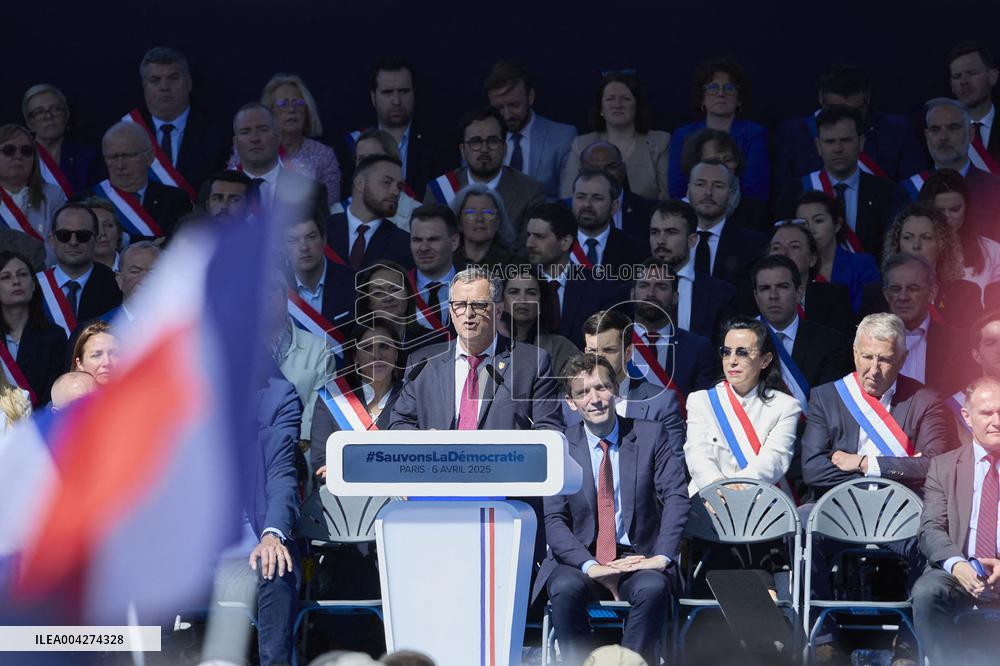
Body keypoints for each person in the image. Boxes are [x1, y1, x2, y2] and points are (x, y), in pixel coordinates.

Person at [533, 353, 688, 665]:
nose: (595, 399)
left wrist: (661, 557)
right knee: (562, 588)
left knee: (653, 588)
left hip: (637, 557)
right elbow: (554, 520)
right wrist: (591, 566)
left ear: (616, 389)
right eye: (583, 392)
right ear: (571, 402)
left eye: (602, 388)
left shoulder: (650, 434)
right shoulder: (561, 445)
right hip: (582, 558)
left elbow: (676, 497)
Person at [205, 363, 300, 666]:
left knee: (276, 564)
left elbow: (282, 491)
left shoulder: (272, 442)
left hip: (253, 557)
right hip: (202, 561)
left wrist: (272, 536)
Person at [801, 312, 956, 498]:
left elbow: (933, 466)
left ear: (902, 359)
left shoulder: (925, 401)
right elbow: (813, 470)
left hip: (902, 507)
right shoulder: (826, 397)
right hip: (841, 505)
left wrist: (864, 463)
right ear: (855, 352)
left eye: (884, 360)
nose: (874, 370)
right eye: (867, 357)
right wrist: (903, 470)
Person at [911, 376, 1000, 666]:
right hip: (960, 569)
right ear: (967, 416)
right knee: (926, 591)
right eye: (987, 413)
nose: (996, 421)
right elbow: (931, 528)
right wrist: (958, 565)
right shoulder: (945, 466)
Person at [684, 316, 801, 494]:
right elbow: (697, 455)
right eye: (726, 352)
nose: (732, 360)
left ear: (765, 360)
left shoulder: (786, 406)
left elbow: (775, 459)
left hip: (761, 502)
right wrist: (718, 487)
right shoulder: (700, 401)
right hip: (708, 501)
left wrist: (737, 491)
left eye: (742, 352)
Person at [776, 105, 908, 258]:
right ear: (818, 146)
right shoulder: (794, 192)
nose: (838, 148)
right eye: (830, 142)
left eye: (845, 140)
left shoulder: (889, 193)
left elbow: (894, 250)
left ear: (861, 142)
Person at [774, 62, 926, 184]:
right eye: (835, 110)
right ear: (821, 99)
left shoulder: (897, 130)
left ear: (867, 100)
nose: (844, 120)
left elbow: (911, 190)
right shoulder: (794, 133)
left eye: (853, 113)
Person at [573, 309, 686, 450]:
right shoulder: (569, 407)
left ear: (628, 352)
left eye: (609, 350)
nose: (599, 358)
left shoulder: (661, 403)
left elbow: (674, 466)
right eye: (592, 351)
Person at [424, 106, 545, 234]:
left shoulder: (530, 192)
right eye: (475, 142)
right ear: (462, 150)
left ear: (504, 148)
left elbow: (529, 248)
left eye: (493, 141)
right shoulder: (439, 190)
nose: (484, 149)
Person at [751, 255, 852, 406]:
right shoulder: (738, 340)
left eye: (782, 286)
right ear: (756, 297)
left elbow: (830, 406)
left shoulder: (831, 343)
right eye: (765, 289)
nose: (773, 296)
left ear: (799, 293)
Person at [524, 202, 627, 348]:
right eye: (528, 235)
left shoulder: (599, 289)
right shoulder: (515, 284)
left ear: (565, 242)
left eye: (539, 237)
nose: (529, 243)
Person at [310, 321, 404, 480]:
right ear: (355, 357)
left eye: (384, 346)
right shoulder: (334, 397)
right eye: (367, 348)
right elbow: (322, 462)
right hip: (349, 499)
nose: (377, 355)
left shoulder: (411, 395)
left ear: (396, 353)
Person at [668, 58, 769, 203]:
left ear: (739, 99)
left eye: (729, 88)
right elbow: (677, 189)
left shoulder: (754, 134)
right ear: (702, 98)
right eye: (713, 88)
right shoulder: (683, 135)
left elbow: (755, 190)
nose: (721, 94)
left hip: (741, 213)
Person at [871, 202, 984, 329]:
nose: (916, 245)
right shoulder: (876, 295)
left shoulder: (966, 293)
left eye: (926, 237)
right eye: (908, 237)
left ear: (942, 244)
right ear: (897, 244)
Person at [561, 73, 670, 201]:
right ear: (601, 107)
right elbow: (568, 196)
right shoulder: (581, 144)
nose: (617, 105)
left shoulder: (660, 142)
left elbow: (666, 198)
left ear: (637, 106)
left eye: (626, 98)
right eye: (610, 99)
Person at [133, 46, 227, 193]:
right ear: (144, 87)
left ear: (189, 83)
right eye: (155, 80)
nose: (164, 87)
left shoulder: (216, 134)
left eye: (173, 78)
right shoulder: (129, 133)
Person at [880, 253, 976, 394]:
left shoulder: (960, 343)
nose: (903, 297)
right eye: (895, 289)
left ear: (932, 293)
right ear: (886, 294)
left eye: (913, 288)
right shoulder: (866, 342)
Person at [909, 98, 1000, 243]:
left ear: (971, 133)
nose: (943, 137)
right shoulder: (907, 190)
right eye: (935, 129)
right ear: (927, 137)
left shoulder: (996, 191)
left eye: (953, 127)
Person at [347, 57, 441, 196]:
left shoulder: (438, 144)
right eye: (387, 92)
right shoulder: (354, 144)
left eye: (403, 91)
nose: (396, 101)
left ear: (414, 93)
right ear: (373, 96)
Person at [484, 61, 576, 198]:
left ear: (530, 97)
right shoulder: (479, 139)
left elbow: (568, 200)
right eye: (498, 108)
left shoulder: (562, 138)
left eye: (514, 105)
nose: (507, 115)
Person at [263, 268, 334, 444]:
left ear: (285, 297)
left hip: (300, 448)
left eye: (272, 290)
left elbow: (320, 407)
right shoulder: (235, 349)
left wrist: (297, 441)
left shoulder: (319, 348)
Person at [648, 199, 736, 338]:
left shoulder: (720, 295)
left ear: (692, 240)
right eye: (655, 232)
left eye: (671, 232)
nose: (661, 240)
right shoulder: (627, 293)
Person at [629, 260, 717, 398]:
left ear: (675, 297)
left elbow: (702, 408)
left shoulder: (698, 349)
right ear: (632, 295)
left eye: (661, 287)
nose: (651, 293)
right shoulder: (614, 343)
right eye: (644, 285)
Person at [93, 121, 192, 240]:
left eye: (128, 156)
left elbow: (181, 245)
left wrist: (126, 240)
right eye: (113, 157)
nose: (120, 165)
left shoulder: (176, 200)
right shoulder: (86, 201)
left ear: (149, 157)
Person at [230, 103, 329, 218]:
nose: (255, 138)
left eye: (263, 129)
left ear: (278, 137)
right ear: (236, 143)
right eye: (245, 132)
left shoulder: (312, 192)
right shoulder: (211, 191)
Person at [919, 169, 1000, 306]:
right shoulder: (908, 248)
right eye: (939, 211)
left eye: (955, 210)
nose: (947, 218)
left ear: (967, 208)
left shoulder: (993, 251)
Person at [761, 220, 855, 337]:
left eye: (794, 247)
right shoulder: (750, 296)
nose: (783, 253)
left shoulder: (833, 296)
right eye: (776, 248)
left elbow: (840, 344)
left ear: (812, 259)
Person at [259, 73, 341, 205]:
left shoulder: (324, 156)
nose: (291, 109)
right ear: (269, 111)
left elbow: (329, 208)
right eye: (283, 104)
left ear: (307, 110)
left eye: (298, 103)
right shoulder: (251, 148)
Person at [686, 159, 767, 288]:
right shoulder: (672, 240)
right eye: (701, 184)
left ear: (730, 195)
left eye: (718, 186)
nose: (708, 193)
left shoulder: (753, 245)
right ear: (688, 190)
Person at [42, 203, 122, 334]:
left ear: (96, 240)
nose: (73, 242)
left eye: (83, 235)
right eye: (64, 235)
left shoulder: (115, 285)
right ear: (51, 240)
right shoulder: (34, 286)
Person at [795, 190, 881, 312]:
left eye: (818, 221)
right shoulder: (793, 270)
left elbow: (867, 313)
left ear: (837, 225)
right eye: (803, 223)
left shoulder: (862, 265)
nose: (811, 229)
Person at [0, 250, 66, 406]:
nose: (16, 281)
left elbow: (54, 395)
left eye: (22, 274)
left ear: (34, 284)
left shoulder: (55, 336)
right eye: (6, 277)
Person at [325, 154, 412, 270]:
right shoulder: (322, 230)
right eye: (386, 182)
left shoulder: (404, 244)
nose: (395, 192)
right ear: (360, 184)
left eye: (399, 186)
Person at [678, 128, 768, 233]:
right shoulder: (677, 214)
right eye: (714, 161)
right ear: (694, 166)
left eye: (729, 160)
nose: (723, 167)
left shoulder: (755, 213)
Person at [21, 83, 100, 195]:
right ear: (29, 123)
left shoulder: (87, 157)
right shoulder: (20, 159)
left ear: (67, 114)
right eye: (39, 112)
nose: (48, 116)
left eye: (55, 109)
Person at [500, 268, 579, 375]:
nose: (522, 300)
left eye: (531, 293)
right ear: (501, 301)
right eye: (514, 292)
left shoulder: (561, 348)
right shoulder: (487, 343)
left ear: (541, 302)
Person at [283, 215, 356, 327]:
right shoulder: (276, 287)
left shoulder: (354, 282)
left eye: (311, 237)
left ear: (324, 240)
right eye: (293, 240)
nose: (304, 248)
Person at [570, 167, 649, 270]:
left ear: (614, 206)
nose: (587, 205)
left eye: (597, 198)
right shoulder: (555, 245)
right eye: (581, 197)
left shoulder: (637, 250)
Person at [0, 124, 67, 242]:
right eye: (9, 150)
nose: (18, 156)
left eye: (26, 151)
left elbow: (58, 246)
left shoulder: (53, 196)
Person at [578, 140, 655, 239]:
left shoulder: (649, 210)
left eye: (611, 167)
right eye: (594, 169)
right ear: (580, 174)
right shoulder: (566, 213)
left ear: (622, 170)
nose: (604, 174)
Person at [351, 127, 421, 231]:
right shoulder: (338, 211)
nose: (366, 165)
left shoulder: (417, 215)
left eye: (374, 158)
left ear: (393, 160)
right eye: (361, 159)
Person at [408, 204, 459, 331]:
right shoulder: (397, 290)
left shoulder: (477, 290)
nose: (424, 248)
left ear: (454, 242)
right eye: (417, 240)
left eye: (433, 239)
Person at [948, 41, 999, 167]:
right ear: (951, 86)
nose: (963, 81)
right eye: (957, 76)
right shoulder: (942, 132)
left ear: (993, 76)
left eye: (972, 73)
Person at [450, 183, 522, 269]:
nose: (479, 219)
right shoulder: (445, 260)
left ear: (498, 222)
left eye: (487, 212)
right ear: (459, 222)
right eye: (470, 212)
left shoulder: (515, 265)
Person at [101, 240, 160, 323]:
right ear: (119, 279)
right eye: (135, 271)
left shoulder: (180, 327)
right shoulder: (98, 330)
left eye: (153, 273)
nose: (145, 280)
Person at [79, 197, 122, 269]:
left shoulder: (138, 267)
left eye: (109, 225)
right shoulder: (64, 273)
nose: (102, 233)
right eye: (94, 227)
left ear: (118, 232)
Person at [71, 320, 118, 385]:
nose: (107, 362)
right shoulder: (69, 394)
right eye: (96, 355)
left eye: (114, 354)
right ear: (79, 363)